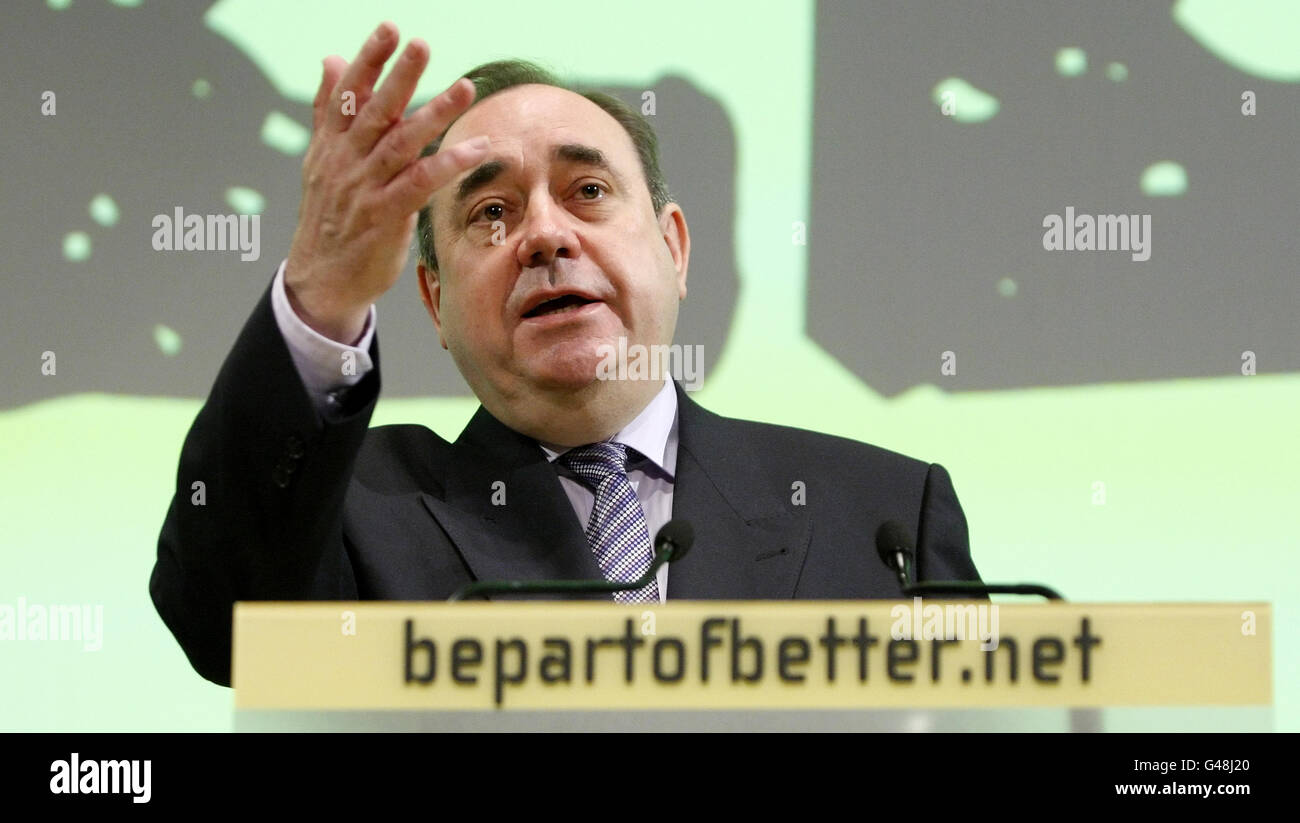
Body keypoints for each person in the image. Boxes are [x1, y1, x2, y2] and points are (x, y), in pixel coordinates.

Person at [150, 22, 981, 687]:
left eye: (587, 192)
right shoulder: (355, 514)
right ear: (434, 301)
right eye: (491, 213)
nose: (546, 234)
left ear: (674, 249)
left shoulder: (883, 515)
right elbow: (225, 621)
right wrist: (322, 290)